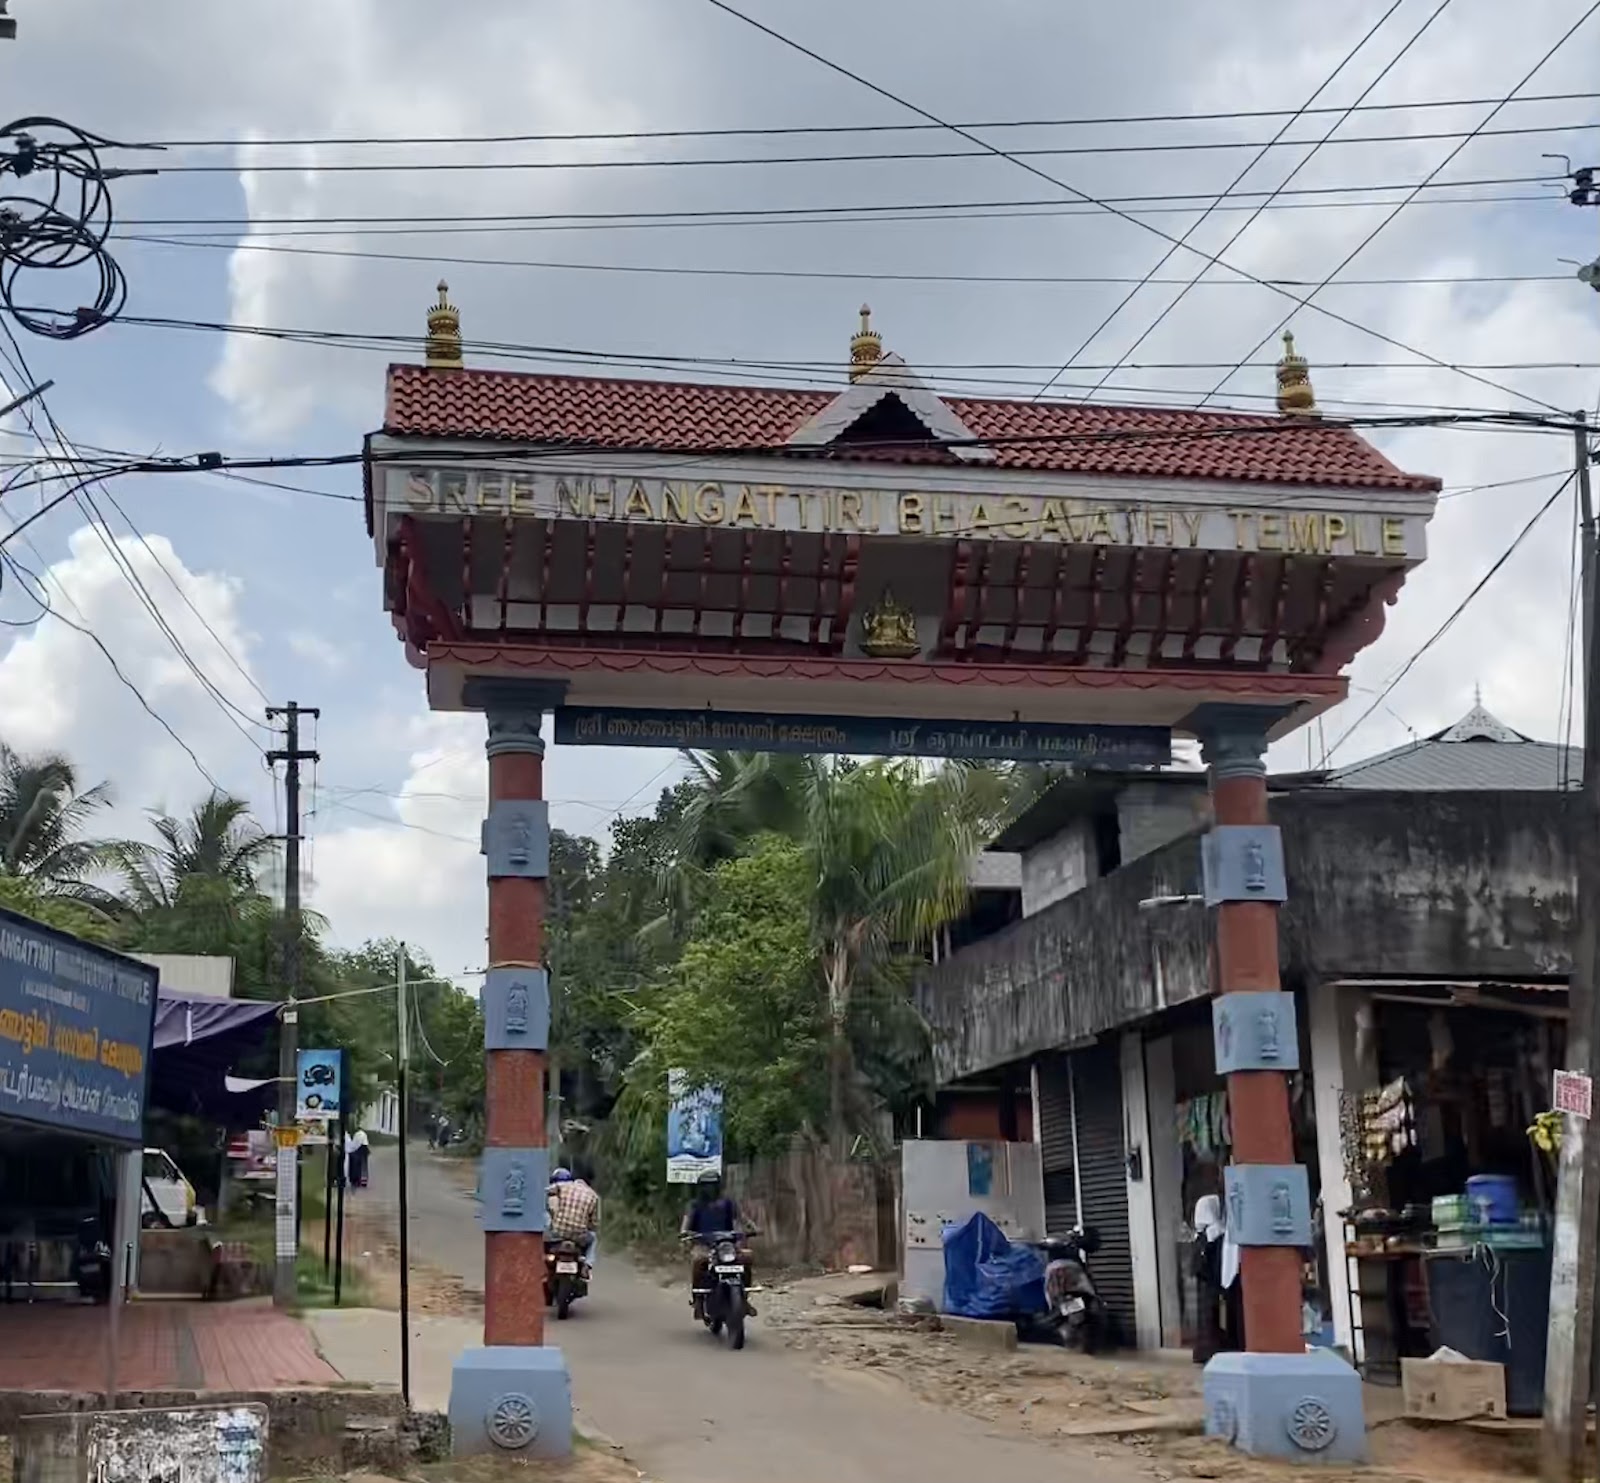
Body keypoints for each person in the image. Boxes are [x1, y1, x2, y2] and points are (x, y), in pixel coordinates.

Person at [680, 1169, 752, 1319]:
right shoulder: (694, 1205)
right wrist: (685, 1232)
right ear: (701, 1187)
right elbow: (686, 1223)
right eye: (707, 1186)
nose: (710, 1189)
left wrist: (750, 1230)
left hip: (726, 1244)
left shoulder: (728, 1203)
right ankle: (698, 1301)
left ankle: (744, 1297)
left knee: (746, 1257)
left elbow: (739, 1220)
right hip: (704, 1244)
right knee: (698, 1261)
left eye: (713, 1185)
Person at [1191, 1193, 1242, 1363]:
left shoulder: (1206, 1234)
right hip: (1214, 1280)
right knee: (1212, 1313)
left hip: (1210, 1280)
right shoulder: (1215, 1233)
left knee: (1209, 1314)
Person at [546, 1166, 600, 1270]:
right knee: (593, 1238)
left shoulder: (564, 1186)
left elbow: (547, 1190)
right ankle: (587, 1265)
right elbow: (593, 1223)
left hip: (558, 1232)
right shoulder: (593, 1196)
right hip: (578, 1236)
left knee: (543, 1237)